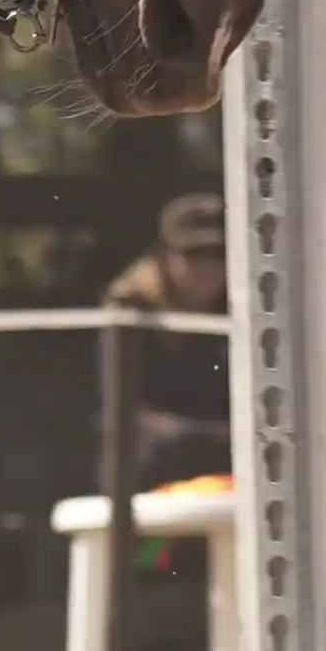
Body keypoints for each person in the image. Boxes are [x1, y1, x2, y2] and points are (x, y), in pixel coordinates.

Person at [102, 194, 233, 487]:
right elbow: (124, 409)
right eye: (193, 254)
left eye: (218, 254)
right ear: (164, 256)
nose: (207, 267)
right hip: (149, 472)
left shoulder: (241, 309)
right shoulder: (130, 309)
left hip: (224, 475)